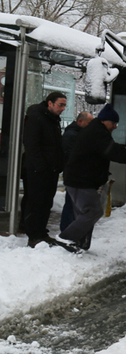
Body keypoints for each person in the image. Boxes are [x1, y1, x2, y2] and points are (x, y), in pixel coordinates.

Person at [57, 104, 126, 252]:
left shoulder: (96, 131)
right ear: (105, 121)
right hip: (80, 181)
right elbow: (112, 151)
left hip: (80, 179)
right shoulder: (97, 133)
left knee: (83, 213)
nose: (115, 127)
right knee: (93, 211)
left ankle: (80, 244)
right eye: (114, 123)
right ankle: (66, 238)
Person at [20, 92, 68, 248]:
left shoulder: (52, 119)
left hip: (50, 170)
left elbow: (55, 146)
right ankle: (33, 235)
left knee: (46, 203)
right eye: (60, 104)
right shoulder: (36, 118)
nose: (63, 108)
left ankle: (41, 232)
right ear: (50, 103)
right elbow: (31, 145)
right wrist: (40, 167)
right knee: (36, 203)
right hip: (38, 170)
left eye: (64, 105)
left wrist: (58, 165)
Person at [59, 111, 93, 232]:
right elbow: (70, 156)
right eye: (89, 123)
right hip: (74, 175)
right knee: (71, 203)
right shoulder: (72, 135)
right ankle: (67, 228)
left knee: (73, 203)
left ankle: (69, 227)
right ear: (80, 121)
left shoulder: (77, 133)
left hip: (75, 174)